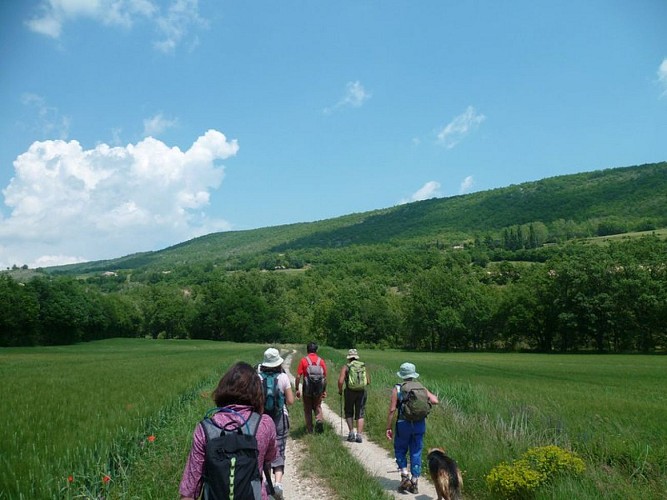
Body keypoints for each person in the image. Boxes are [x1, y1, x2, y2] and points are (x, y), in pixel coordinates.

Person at [179, 362, 278, 500]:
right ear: (257, 392)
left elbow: (190, 489)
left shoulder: (205, 428)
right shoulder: (265, 423)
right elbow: (271, 456)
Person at [385, 362, 439, 495]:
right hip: (419, 424)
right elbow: (435, 400)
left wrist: (388, 427)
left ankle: (404, 475)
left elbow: (392, 409)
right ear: (413, 374)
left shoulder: (398, 388)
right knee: (416, 452)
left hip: (403, 424)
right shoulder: (421, 387)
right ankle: (414, 482)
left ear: (402, 375)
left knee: (400, 449)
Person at [258, 348, 295, 500]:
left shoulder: (257, 377)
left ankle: (265, 483)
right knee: (279, 448)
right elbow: (291, 401)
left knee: (263, 449)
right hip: (280, 418)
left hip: (260, 420)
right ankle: (278, 483)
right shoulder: (283, 377)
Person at [337, 348, 370, 443]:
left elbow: (340, 381)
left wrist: (340, 390)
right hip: (362, 392)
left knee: (348, 411)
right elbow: (368, 381)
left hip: (350, 391)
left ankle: (351, 433)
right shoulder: (363, 366)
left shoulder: (346, 367)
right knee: (360, 413)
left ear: (349, 358)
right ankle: (359, 435)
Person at [294, 342, 327, 433]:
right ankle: (319, 420)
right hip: (318, 389)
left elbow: (297, 376)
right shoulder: (321, 361)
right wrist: (324, 390)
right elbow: (324, 377)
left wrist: (297, 389)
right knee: (318, 406)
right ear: (316, 350)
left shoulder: (304, 360)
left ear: (307, 350)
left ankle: (310, 430)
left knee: (308, 409)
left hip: (307, 389)